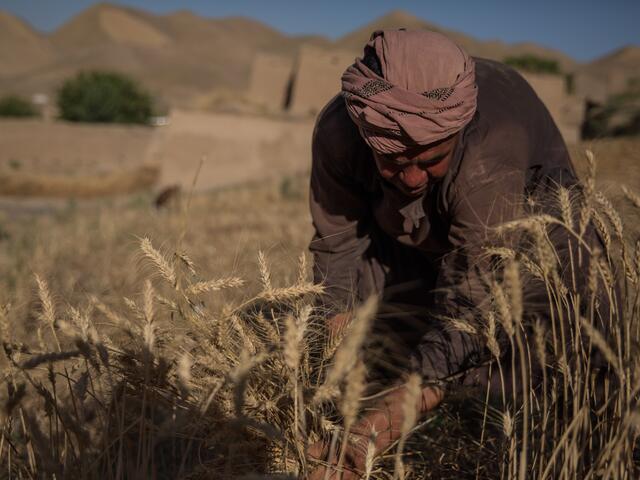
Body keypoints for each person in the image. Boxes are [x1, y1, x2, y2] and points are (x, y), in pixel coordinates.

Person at [306, 29, 595, 479]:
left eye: (430, 158)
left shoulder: (487, 152)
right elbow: (338, 246)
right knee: (382, 345)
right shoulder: (339, 132)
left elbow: (474, 299)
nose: (414, 178)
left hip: (529, 241)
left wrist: (382, 424)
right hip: (407, 239)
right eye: (393, 160)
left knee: (521, 380)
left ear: (456, 134)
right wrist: (333, 371)